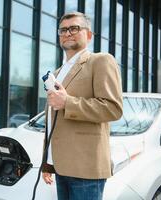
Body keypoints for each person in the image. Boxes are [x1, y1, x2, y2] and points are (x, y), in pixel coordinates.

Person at [41, 12, 123, 200]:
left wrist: (67, 102)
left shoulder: (101, 61)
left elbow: (113, 108)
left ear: (88, 35)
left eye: (74, 28)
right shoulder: (57, 73)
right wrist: (47, 162)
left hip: (86, 170)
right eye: (63, 30)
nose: (68, 33)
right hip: (61, 167)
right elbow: (51, 119)